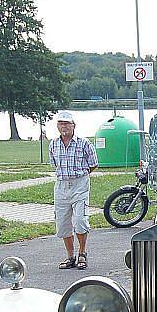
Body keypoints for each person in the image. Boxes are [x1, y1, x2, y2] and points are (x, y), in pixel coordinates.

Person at [49, 110, 99, 270]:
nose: (64, 126)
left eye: (67, 123)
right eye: (61, 123)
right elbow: (54, 165)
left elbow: (93, 164)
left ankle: (82, 253)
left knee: (80, 221)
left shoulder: (84, 143)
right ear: (57, 126)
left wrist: (81, 177)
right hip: (61, 185)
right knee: (63, 223)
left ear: (73, 126)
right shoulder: (53, 144)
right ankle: (70, 256)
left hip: (80, 184)